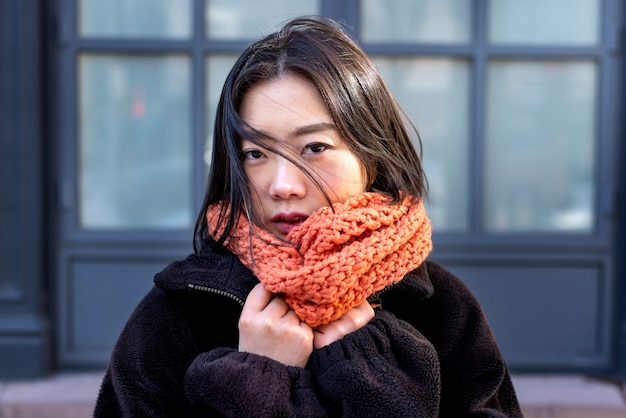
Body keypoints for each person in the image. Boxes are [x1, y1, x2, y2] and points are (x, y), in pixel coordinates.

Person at [94, 16, 522, 417]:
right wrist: (257, 382)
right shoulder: (176, 314)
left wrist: (375, 386)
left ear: (371, 155)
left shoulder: (442, 307)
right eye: (256, 153)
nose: (283, 184)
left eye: (315, 147)